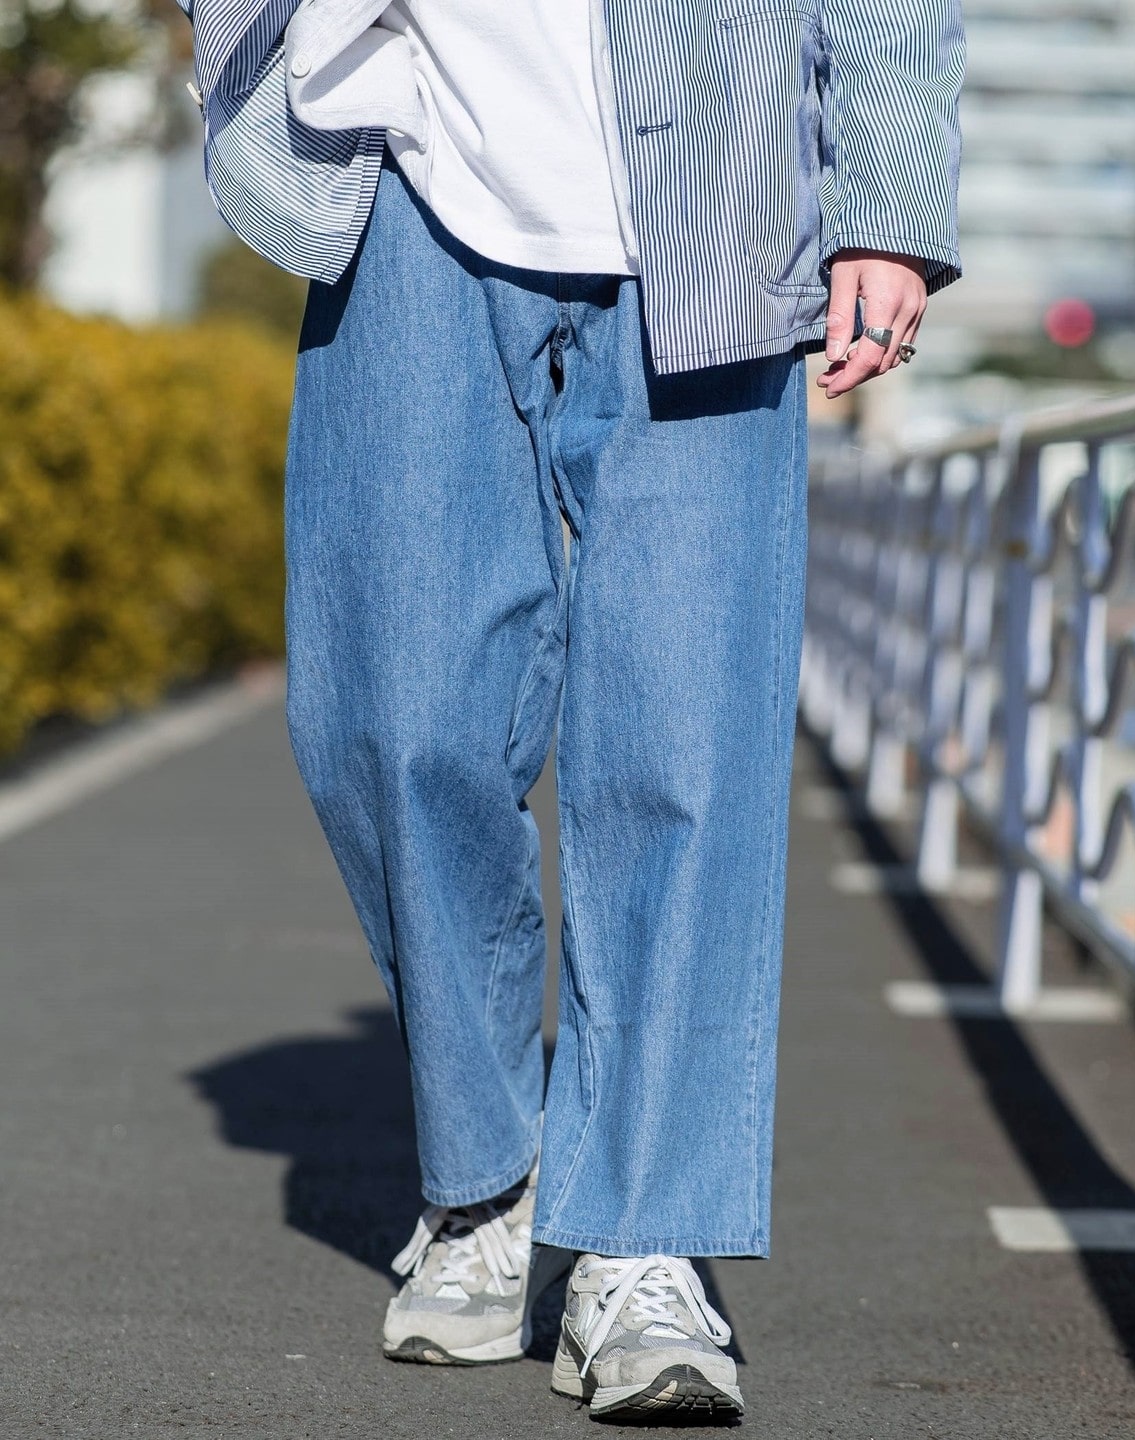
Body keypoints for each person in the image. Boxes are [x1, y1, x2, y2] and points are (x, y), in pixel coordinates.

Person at [181, 0, 963, 1421]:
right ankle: (489, 1172)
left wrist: (890, 207)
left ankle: (644, 1239)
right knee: (392, 722)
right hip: (412, 174)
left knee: (681, 741)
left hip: (718, 188)